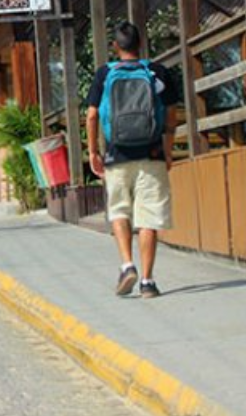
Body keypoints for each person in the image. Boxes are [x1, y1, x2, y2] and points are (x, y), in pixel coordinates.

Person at [86, 22, 179, 299]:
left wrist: (93, 152)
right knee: (148, 217)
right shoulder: (157, 72)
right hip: (151, 155)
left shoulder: (105, 74)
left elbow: (92, 115)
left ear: (116, 46)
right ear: (141, 44)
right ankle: (148, 282)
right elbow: (172, 115)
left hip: (116, 155)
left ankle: (127, 265)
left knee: (119, 211)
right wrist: (168, 149)